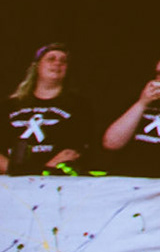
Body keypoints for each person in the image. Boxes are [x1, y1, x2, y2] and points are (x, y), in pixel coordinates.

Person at [3, 44, 93, 175]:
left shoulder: (78, 105)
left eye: (63, 61)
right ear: (37, 66)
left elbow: (76, 148)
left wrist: (44, 172)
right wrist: (14, 172)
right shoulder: (10, 105)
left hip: (56, 178)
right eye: (51, 59)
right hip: (9, 180)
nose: (57, 63)